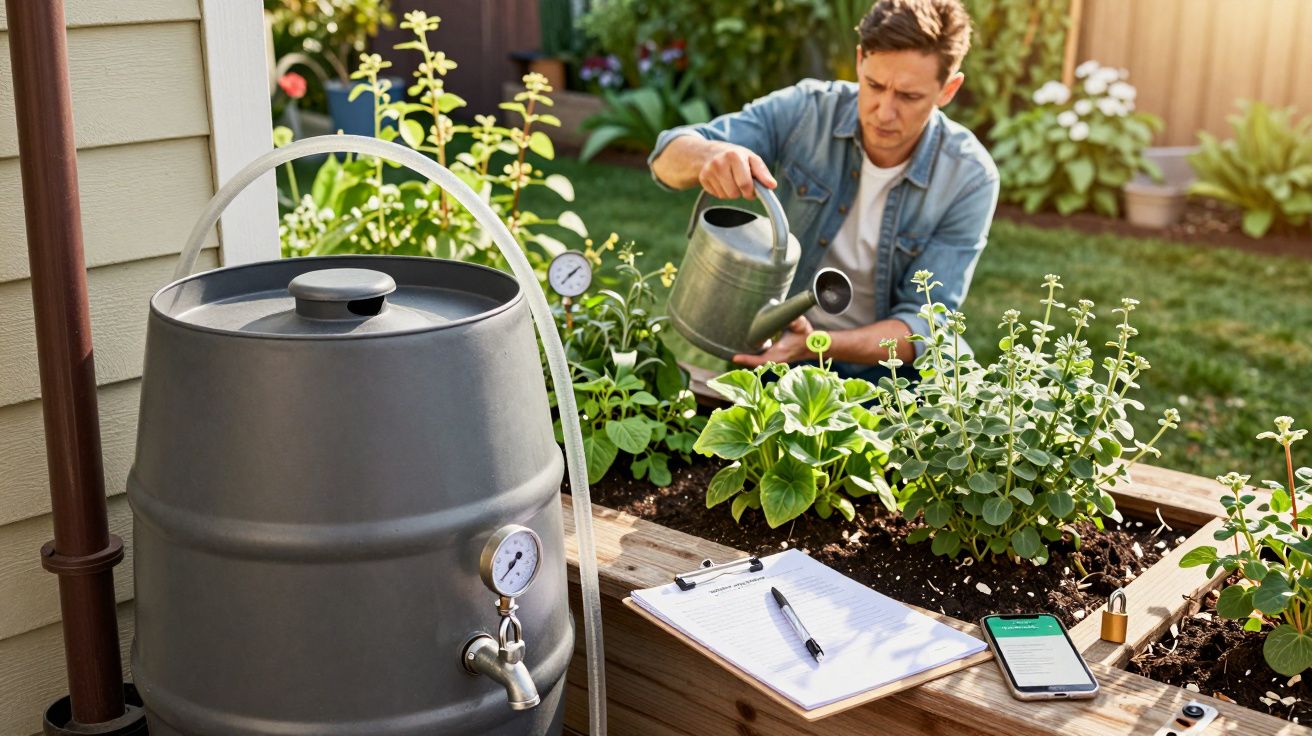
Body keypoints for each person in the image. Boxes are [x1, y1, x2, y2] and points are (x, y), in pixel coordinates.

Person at [649, 0, 998, 381]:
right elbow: (665, 159)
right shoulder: (807, 111)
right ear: (861, 59)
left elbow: (924, 325)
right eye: (875, 85)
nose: (884, 111)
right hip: (782, 354)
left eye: (909, 96)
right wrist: (710, 155)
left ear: (948, 89)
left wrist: (819, 343)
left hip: (894, 374)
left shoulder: (969, 176)